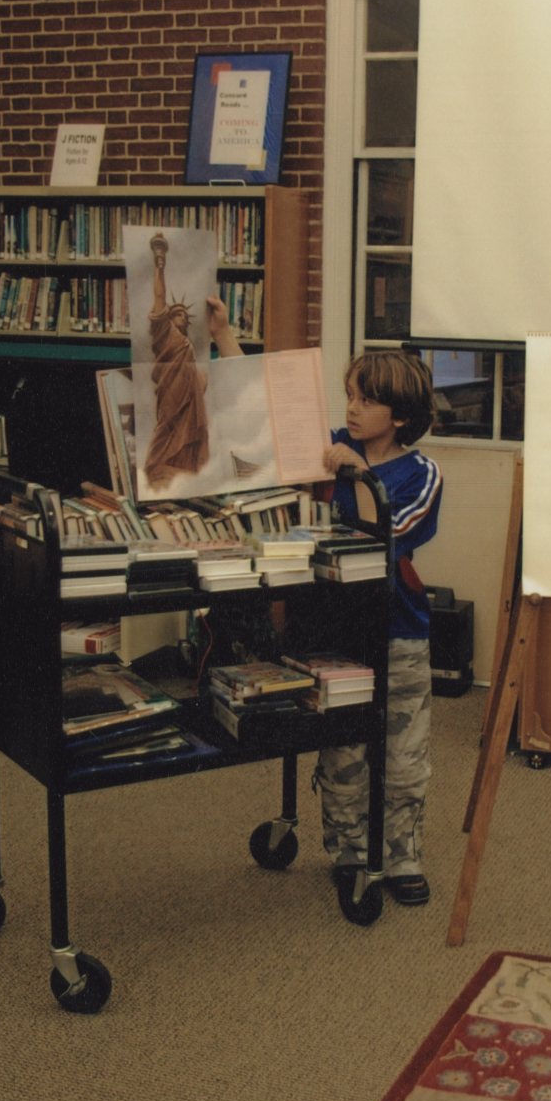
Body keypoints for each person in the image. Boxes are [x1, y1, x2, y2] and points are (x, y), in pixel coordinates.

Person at [207, 299, 443, 916]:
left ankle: (402, 856)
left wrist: (359, 474)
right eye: (349, 396)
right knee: (343, 752)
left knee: (404, 755)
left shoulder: (420, 474)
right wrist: (224, 335)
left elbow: (382, 537)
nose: (352, 408)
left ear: (401, 415)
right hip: (331, 633)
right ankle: (349, 853)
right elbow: (267, 409)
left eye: (366, 400)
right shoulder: (331, 446)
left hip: (397, 634)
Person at [144, 232, 209, 487]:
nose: (181, 317)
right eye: (177, 313)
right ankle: (154, 466)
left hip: (189, 398)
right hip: (171, 391)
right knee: (166, 425)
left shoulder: (186, 343)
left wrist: (200, 381)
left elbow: (195, 377)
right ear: (169, 318)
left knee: (191, 430)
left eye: (184, 315)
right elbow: (160, 298)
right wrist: (159, 263)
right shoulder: (165, 333)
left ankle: (180, 466)